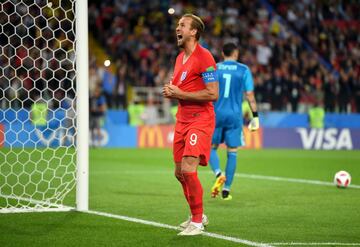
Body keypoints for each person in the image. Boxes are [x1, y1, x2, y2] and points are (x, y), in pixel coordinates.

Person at [162, 14, 218, 236]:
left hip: (200, 118)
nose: (178, 28)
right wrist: (172, 91)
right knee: (179, 173)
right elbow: (180, 88)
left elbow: (213, 93)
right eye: (178, 25)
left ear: (193, 32)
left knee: (188, 169)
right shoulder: (178, 59)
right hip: (182, 118)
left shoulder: (205, 57)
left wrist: (180, 92)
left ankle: (196, 221)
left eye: (182, 25)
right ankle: (197, 215)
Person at [209, 43, 259, 200]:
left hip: (215, 113)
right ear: (236, 53)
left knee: (211, 147)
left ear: (223, 53)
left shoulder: (213, 68)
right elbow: (249, 94)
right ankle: (226, 190)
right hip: (234, 115)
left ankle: (218, 173)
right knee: (232, 152)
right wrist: (255, 116)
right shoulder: (244, 69)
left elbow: (207, 89)